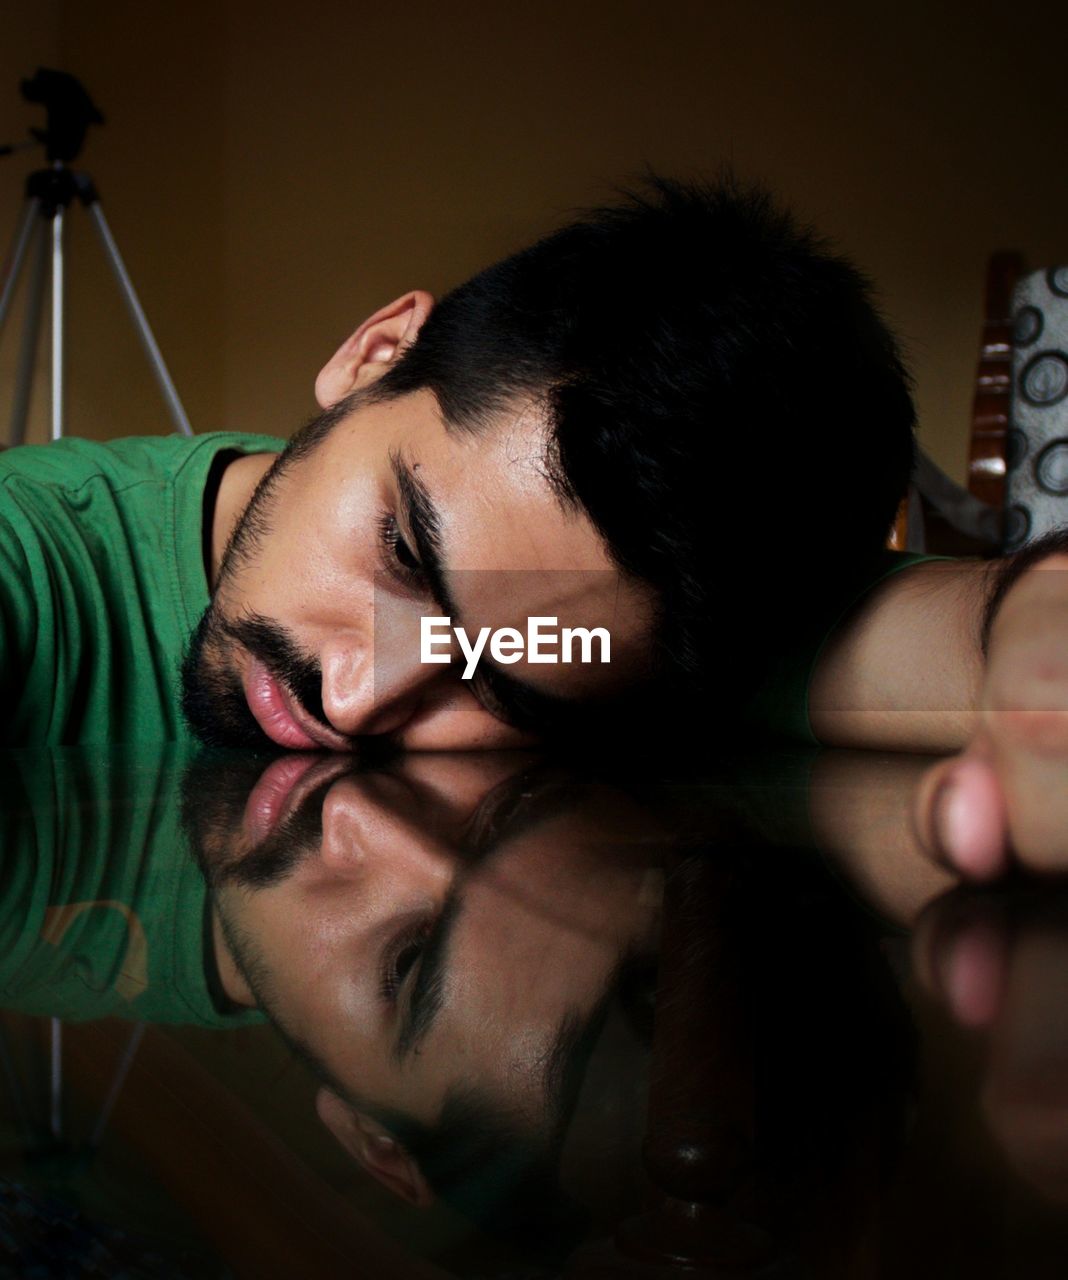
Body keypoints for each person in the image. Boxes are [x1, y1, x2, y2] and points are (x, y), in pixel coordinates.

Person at [1, 173, 1064, 877]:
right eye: (405, 549)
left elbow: (972, 639)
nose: (358, 695)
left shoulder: (619, 651)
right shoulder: (39, 555)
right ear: (374, 355)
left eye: (502, 674)